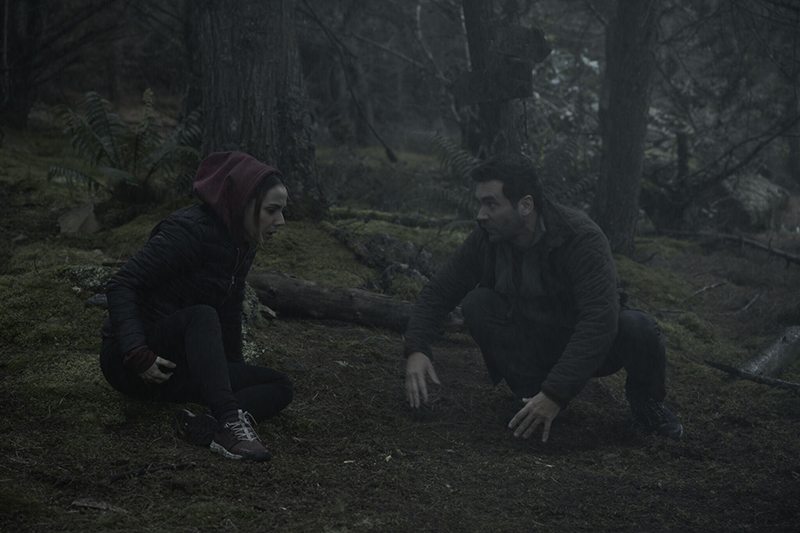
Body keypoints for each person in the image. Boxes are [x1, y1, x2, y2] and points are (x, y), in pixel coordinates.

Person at [403, 153, 683, 442]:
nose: (481, 214)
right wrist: (417, 348)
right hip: (533, 341)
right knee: (478, 304)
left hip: (589, 347)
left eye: (491, 204)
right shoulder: (488, 236)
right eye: (480, 203)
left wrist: (556, 393)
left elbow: (599, 322)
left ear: (525, 204)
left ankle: (647, 403)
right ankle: (530, 396)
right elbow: (440, 290)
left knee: (640, 328)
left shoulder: (580, 237)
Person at [99, 151, 294, 462]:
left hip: (183, 365)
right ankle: (231, 424)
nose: (280, 221)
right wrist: (137, 354)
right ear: (245, 202)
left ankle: (205, 423)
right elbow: (122, 284)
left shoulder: (243, 243)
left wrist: (229, 372)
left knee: (280, 385)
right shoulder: (189, 231)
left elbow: (230, 312)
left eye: (282, 211)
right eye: (272, 210)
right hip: (134, 362)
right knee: (203, 315)